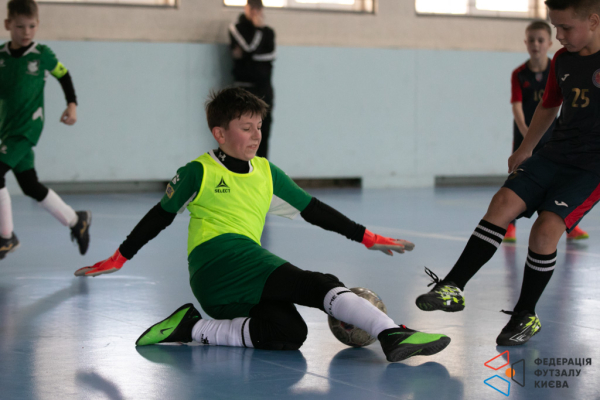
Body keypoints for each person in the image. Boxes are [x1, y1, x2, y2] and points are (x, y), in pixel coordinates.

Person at [75, 88, 450, 362]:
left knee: (288, 333)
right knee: (317, 283)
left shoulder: (267, 172)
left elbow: (313, 209)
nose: (256, 135)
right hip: (216, 263)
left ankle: (191, 327)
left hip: (239, 277)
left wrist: (366, 237)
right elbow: (160, 215)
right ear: (220, 133)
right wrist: (119, 257)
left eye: (259, 127)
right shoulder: (198, 171)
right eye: (246, 127)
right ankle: (392, 333)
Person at [415, 0, 600, 346]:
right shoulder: (563, 60)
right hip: (553, 153)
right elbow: (549, 105)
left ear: (592, 21)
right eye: (555, 27)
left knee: (545, 230)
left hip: (591, 169)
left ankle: (525, 315)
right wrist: (526, 148)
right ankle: (452, 286)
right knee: (502, 202)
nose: (559, 35)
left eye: (565, 27)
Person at [0, 0, 91, 259]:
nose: (26, 32)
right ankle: (76, 220)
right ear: (8, 25)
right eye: (20, 26)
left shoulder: (42, 55)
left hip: (27, 129)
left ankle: (6, 236)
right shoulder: (1, 57)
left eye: (31, 26)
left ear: (37, 25)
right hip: (7, 129)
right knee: (30, 185)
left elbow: (64, 75)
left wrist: (71, 104)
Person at [505, 19, 589, 242]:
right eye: (531, 40)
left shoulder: (558, 67)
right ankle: (509, 225)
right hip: (525, 134)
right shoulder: (519, 74)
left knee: (558, 180)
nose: (536, 44)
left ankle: (568, 224)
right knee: (517, 176)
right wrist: (526, 133)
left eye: (540, 40)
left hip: (552, 136)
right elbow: (516, 106)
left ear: (549, 43)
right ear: (526, 43)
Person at [229, 0, 275, 159]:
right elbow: (250, 47)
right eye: (252, 8)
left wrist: (247, 56)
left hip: (264, 88)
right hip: (244, 89)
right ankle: (240, 169)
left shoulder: (269, 32)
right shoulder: (236, 28)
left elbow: (271, 55)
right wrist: (258, 30)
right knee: (243, 133)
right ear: (246, 8)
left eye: (258, 9)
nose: (255, 12)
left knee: (263, 132)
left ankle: (261, 168)